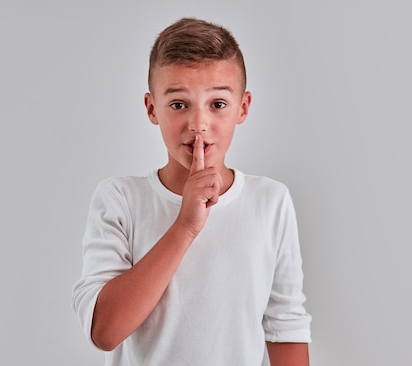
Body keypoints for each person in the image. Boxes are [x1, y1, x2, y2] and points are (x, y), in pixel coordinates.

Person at [72, 17, 311, 365]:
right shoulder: (120, 199)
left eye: (217, 104)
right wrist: (185, 225)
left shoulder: (270, 201)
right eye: (179, 104)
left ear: (242, 107)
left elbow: (285, 326)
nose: (198, 124)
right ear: (152, 108)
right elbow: (105, 331)